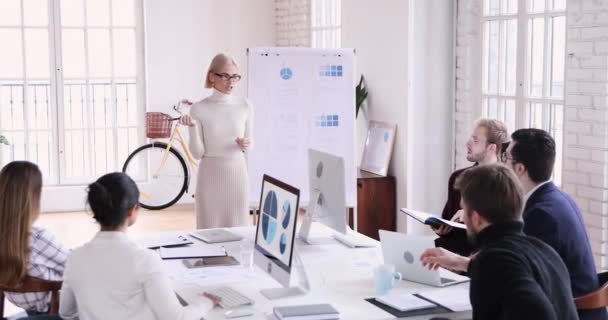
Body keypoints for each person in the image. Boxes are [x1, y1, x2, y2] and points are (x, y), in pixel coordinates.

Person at [421, 164, 578, 320]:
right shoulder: (545, 252)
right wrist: (465, 263)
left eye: (464, 210)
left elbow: (538, 311)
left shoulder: (495, 261)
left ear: (476, 218)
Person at [59, 172, 218, 320]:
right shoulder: (145, 259)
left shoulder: (75, 257)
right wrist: (204, 303)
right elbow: (176, 318)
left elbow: (66, 312)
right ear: (132, 211)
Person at [503, 128, 606, 320]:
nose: (503, 164)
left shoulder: (541, 215)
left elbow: (527, 276)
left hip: (573, 313)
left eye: (506, 158)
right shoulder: (557, 198)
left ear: (520, 169)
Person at [180, 53, 253, 229]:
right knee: (209, 232)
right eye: (226, 76)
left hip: (237, 176)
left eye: (235, 76)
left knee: (238, 231)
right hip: (210, 177)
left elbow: (249, 143)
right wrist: (191, 128)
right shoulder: (199, 108)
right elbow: (198, 154)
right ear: (212, 76)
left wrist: (246, 144)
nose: (231, 82)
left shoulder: (245, 105)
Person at [0, 161, 68, 315]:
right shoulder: (37, 238)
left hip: (27, 308)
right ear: (33, 198)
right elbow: (76, 266)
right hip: (55, 312)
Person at [434, 118, 509, 256]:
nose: (468, 143)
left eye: (475, 140)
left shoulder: (507, 184)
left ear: (491, 148)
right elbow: (446, 220)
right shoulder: (458, 178)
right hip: (450, 251)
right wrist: (441, 229)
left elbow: (502, 232)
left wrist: (469, 215)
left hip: (483, 255)